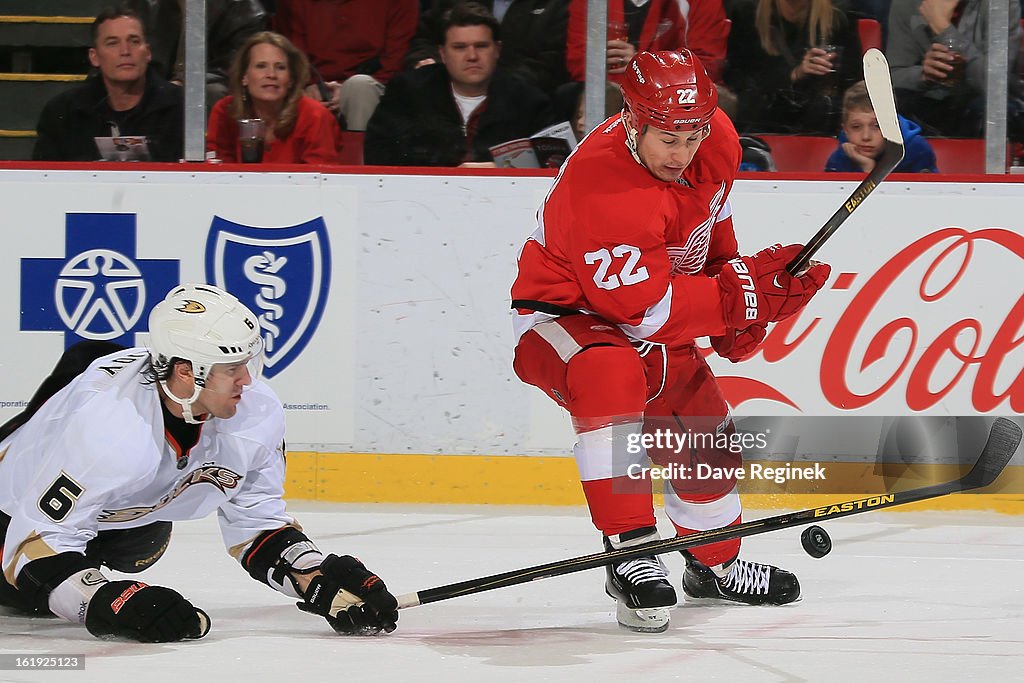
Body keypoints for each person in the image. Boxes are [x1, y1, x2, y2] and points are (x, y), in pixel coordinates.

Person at [510, 49, 831, 632]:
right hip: (565, 316)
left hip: (653, 302)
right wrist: (742, 300)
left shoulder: (717, 140)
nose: (682, 153)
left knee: (703, 434)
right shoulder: (600, 189)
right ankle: (630, 550)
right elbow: (647, 314)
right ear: (632, 119)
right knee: (610, 375)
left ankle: (711, 565)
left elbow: (712, 225)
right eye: (667, 138)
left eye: (693, 136)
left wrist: (740, 299)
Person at [0, 284, 399, 642]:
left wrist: (313, 574)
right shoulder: (112, 429)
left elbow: (256, 520)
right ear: (185, 373)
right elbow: (32, 547)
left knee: (143, 543)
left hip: (124, 516)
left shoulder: (256, 411)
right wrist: (105, 601)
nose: (247, 380)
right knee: (28, 598)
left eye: (247, 363)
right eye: (232, 369)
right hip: (12, 515)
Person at [364, 2, 553, 166]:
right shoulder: (407, 93)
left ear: (497, 50)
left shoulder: (528, 101)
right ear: (443, 53)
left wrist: (499, 170)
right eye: (460, 48)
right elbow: (378, 155)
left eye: (481, 46)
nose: (472, 56)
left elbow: (552, 163)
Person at [32, 6, 184, 162]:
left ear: (148, 52)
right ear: (94, 57)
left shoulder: (181, 108)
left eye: (134, 41)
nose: (125, 51)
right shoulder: (63, 112)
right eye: (112, 43)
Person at [886, 0, 1024, 140]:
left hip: (981, 102)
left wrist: (943, 29)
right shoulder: (906, 4)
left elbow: (997, 85)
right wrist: (923, 75)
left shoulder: (1000, 4)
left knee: (990, 112)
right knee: (892, 108)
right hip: (930, 103)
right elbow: (894, 76)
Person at [274, 0, 419, 131]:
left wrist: (346, 91)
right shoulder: (292, 4)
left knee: (358, 88)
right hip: (312, 87)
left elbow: (395, 60)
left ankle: (361, 159)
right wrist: (308, 85)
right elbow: (294, 54)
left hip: (373, 86)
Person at [724, 0, 860, 135]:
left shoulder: (838, 15)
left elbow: (852, 78)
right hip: (763, 115)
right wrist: (793, 73)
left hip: (819, 118)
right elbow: (737, 76)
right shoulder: (748, 12)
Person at [206, 31, 342, 164]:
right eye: (261, 66)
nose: (271, 74)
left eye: (280, 67)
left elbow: (320, 178)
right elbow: (217, 173)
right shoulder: (225, 111)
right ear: (244, 77)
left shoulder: (316, 116)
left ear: (291, 79)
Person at [404, 0, 571, 97]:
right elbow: (424, 40)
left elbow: (551, 62)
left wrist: (488, 82)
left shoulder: (557, 5)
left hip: (520, 98)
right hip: (447, 89)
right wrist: (428, 62)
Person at [124, 0, 268, 108]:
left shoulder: (245, 10)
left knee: (211, 92)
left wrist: (181, 83)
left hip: (208, 86)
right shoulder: (143, 5)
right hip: (158, 86)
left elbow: (233, 68)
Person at [825, 80, 938, 172]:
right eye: (856, 127)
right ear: (845, 130)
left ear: (893, 125)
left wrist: (871, 171)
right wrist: (867, 167)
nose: (866, 137)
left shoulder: (917, 150)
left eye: (877, 126)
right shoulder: (841, 155)